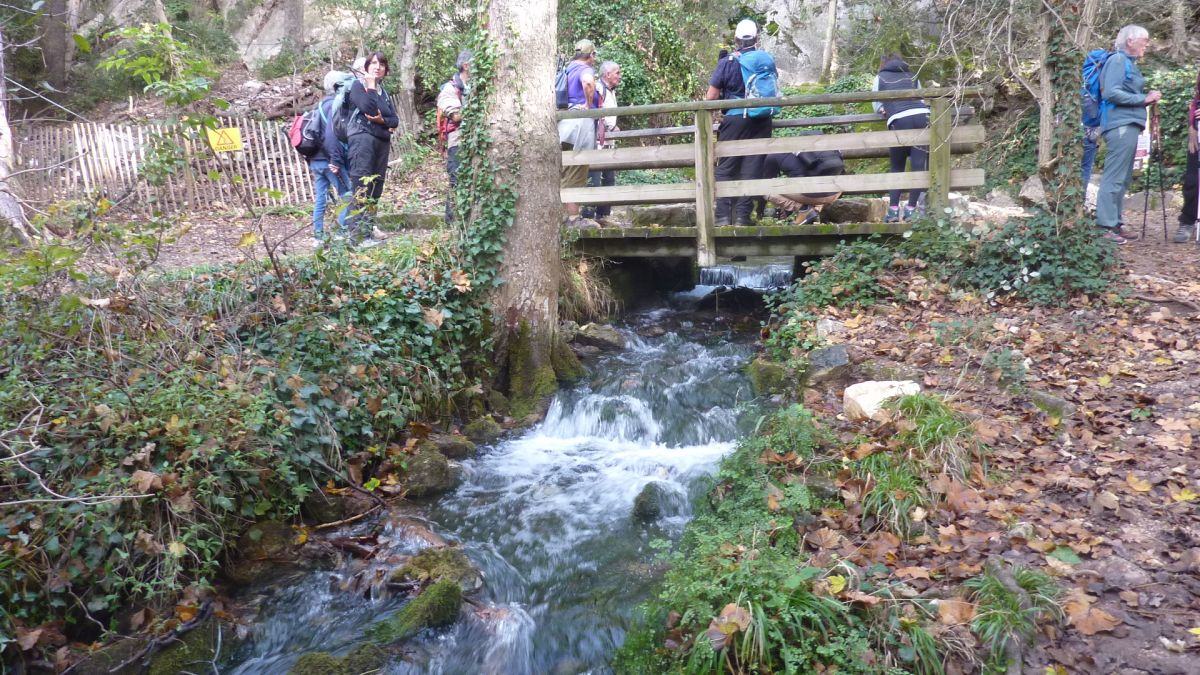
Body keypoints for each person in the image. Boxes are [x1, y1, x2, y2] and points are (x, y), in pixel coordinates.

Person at [1095, 25, 1161, 244]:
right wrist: (1143, 99)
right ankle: (1104, 226)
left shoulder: (1127, 63)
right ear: (1130, 41)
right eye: (1145, 39)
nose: (1147, 44)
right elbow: (1111, 92)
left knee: (1122, 178)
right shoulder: (1117, 61)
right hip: (1120, 125)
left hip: (1128, 124)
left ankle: (1115, 223)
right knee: (1114, 176)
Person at [706, 19, 774, 226]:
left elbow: (711, 97)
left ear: (736, 39)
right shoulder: (766, 59)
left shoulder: (728, 61)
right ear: (756, 39)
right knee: (752, 168)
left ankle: (723, 217)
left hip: (735, 119)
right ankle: (743, 218)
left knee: (726, 167)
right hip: (762, 120)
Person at [345, 51, 398, 246]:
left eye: (382, 64)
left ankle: (368, 230)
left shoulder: (384, 93)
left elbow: (395, 120)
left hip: (381, 142)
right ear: (366, 67)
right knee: (361, 184)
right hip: (362, 139)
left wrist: (382, 120)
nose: (378, 67)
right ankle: (357, 236)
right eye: (374, 63)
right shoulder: (358, 86)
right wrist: (370, 86)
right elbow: (368, 108)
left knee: (376, 187)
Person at [873, 54, 930, 223]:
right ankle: (911, 210)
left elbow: (876, 103)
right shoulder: (913, 75)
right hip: (922, 117)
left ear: (884, 63)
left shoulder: (880, 76)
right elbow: (920, 98)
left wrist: (883, 109)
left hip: (899, 119)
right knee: (918, 166)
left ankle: (892, 211)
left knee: (897, 166)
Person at [558, 39, 601, 225]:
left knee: (564, 169)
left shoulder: (568, 69)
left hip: (564, 125)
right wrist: (588, 104)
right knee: (577, 168)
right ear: (590, 55)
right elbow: (588, 83)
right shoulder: (585, 69)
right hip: (579, 124)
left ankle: (564, 215)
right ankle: (573, 218)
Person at [309, 70, 353, 245]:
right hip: (330, 161)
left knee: (321, 198)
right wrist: (335, 160)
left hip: (315, 161)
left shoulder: (319, 106)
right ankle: (342, 233)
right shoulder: (334, 105)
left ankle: (318, 236)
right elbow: (331, 135)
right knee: (347, 194)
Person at [761, 137, 846, 224]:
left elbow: (767, 181)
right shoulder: (827, 150)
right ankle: (815, 210)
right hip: (834, 194)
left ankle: (803, 209)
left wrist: (787, 207)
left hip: (813, 194)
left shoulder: (774, 155)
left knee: (762, 188)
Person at [583, 60, 621, 226]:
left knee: (609, 178)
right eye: (617, 73)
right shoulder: (598, 88)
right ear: (607, 74)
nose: (619, 76)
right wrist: (608, 126)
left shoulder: (611, 91)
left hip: (609, 142)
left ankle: (604, 215)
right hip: (597, 143)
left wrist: (613, 126)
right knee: (595, 179)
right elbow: (593, 112)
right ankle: (588, 216)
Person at [437, 49, 472, 224]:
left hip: (474, 142)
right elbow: (456, 115)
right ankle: (451, 224)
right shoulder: (450, 89)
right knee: (456, 182)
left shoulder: (475, 87)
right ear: (466, 66)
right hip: (457, 142)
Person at [1176, 68, 1199, 243]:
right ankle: (1188, 221)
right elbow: (1195, 103)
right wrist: (1191, 127)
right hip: (1197, 137)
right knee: (1192, 179)